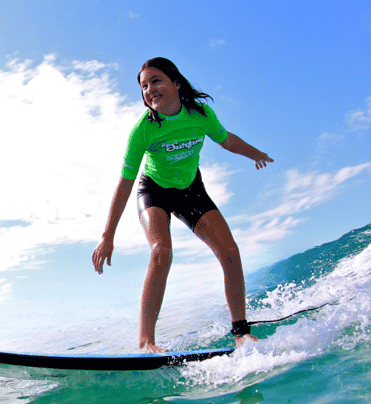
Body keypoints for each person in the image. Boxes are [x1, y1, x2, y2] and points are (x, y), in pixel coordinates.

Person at [92, 57, 273, 353]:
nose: (149, 89)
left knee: (229, 251)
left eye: (156, 81)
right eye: (144, 86)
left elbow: (226, 140)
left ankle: (241, 333)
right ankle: (146, 342)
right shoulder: (143, 130)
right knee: (161, 251)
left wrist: (255, 153)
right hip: (154, 191)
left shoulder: (200, 115)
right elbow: (125, 183)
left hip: (190, 189)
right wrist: (107, 236)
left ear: (176, 83)